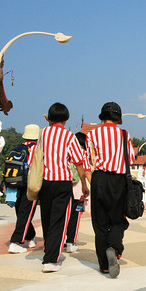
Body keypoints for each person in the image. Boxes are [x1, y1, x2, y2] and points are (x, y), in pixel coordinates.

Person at [86, 101, 135, 278]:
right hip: (118, 180)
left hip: (99, 178)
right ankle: (114, 247)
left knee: (100, 223)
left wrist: (94, 183)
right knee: (117, 219)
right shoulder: (124, 134)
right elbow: (131, 157)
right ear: (118, 117)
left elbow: (88, 161)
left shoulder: (92, 134)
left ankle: (104, 266)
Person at [38, 103, 89, 273]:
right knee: (59, 220)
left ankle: (48, 249)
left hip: (45, 181)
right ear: (66, 119)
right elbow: (79, 162)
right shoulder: (69, 137)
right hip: (62, 182)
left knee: (46, 217)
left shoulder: (43, 133)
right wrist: (83, 184)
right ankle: (51, 259)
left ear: (50, 118)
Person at [7, 124, 40, 254]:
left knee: (21, 212)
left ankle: (30, 236)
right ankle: (15, 242)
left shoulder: (17, 148)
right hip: (29, 185)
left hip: (16, 184)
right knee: (26, 213)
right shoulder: (35, 150)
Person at [65, 132, 92, 253]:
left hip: (65, 188)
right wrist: (93, 186)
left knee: (64, 216)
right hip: (78, 191)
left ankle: (63, 239)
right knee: (75, 217)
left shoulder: (66, 151)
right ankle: (71, 242)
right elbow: (86, 171)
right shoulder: (83, 153)